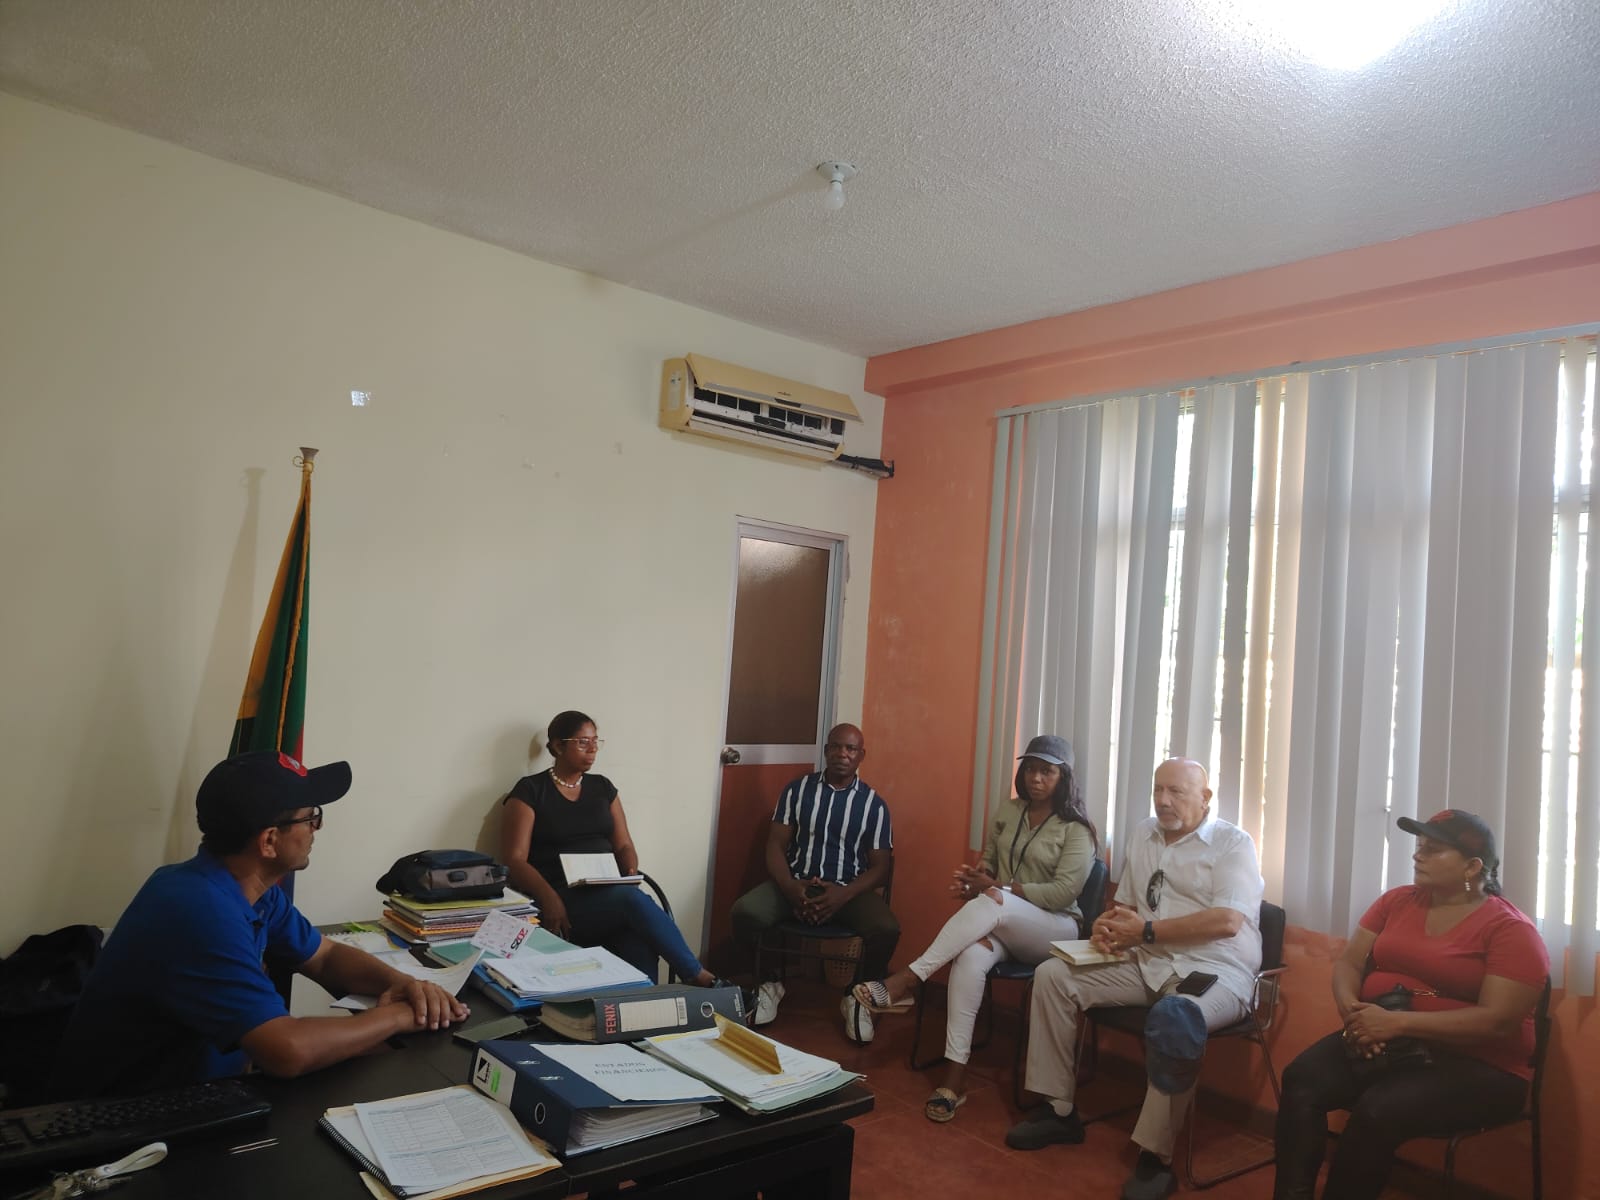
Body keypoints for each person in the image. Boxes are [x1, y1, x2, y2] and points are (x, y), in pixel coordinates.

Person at [51, 751, 470, 1098]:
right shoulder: (198, 909)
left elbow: (324, 957)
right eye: (311, 817)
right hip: (127, 1120)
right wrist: (398, 1017)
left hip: (202, 1090)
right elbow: (286, 1051)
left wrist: (403, 985)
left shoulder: (247, 885)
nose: (317, 828)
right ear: (269, 840)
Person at [1005, 757, 1263, 1200]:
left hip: (1214, 970)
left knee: (1176, 1017)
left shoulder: (1232, 844)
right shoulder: (1144, 833)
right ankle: (1057, 1110)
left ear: (1205, 798)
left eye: (1176, 791)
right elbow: (1126, 905)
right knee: (1053, 975)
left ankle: (1154, 1156)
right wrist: (1109, 926)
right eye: (1158, 789)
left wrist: (1144, 931)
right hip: (1147, 960)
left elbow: (1227, 921)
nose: (1163, 800)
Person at [1271, 809, 1549, 1200]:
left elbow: (1497, 1022)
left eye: (1433, 849)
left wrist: (1397, 1025)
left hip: (1481, 1065)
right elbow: (1350, 963)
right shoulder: (1397, 901)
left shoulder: (1511, 929)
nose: (1418, 856)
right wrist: (1354, 1015)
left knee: (1377, 1110)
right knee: (1302, 1078)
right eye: (1420, 847)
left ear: (1472, 867)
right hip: (1390, 1038)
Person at [850, 734, 1099, 1123]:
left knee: (996, 899)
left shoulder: (1077, 829)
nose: (1036, 778)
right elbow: (989, 863)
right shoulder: (1010, 811)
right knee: (969, 956)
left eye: (1047, 772)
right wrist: (976, 881)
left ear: (1063, 777)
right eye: (1031, 769)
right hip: (1005, 922)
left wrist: (997, 888)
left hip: (1056, 929)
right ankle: (954, 1078)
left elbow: (1063, 892)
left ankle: (907, 980)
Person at [500, 710, 720, 987]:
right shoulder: (531, 790)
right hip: (562, 895)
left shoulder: (602, 787)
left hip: (607, 891)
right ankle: (696, 975)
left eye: (595, 741)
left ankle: (645, 1003)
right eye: (582, 742)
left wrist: (630, 870)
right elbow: (515, 859)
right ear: (558, 746)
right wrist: (549, 897)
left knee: (636, 932)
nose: (592, 749)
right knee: (632, 902)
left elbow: (624, 844)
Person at [728, 723, 898, 1039]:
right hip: (795, 884)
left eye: (850, 749)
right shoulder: (798, 791)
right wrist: (791, 888)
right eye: (836, 746)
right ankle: (770, 983)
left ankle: (857, 996)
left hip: (848, 891)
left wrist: (843, 894)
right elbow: (775, 845)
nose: (842, 754)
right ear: (826, 750)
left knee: (886, 929)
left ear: (861, 755)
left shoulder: (873, 804)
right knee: (745, 913)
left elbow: (881, 867)